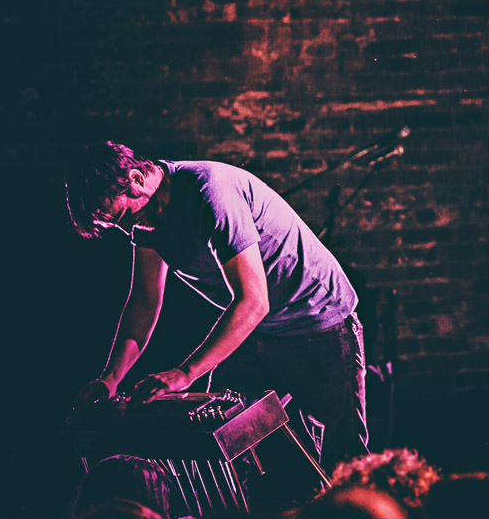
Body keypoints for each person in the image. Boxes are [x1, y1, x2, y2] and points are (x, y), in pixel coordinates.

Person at [65, 141, 369, 471]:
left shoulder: (211, 191)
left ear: (137, 179)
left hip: (317, 319)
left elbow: (254, 301)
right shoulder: (145, 220)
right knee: (221, 439)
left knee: (347, 460)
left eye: (125, 217)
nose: (130, 230)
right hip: (259, 330)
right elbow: (144, 302)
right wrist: (111, 378)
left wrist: (186, 373)